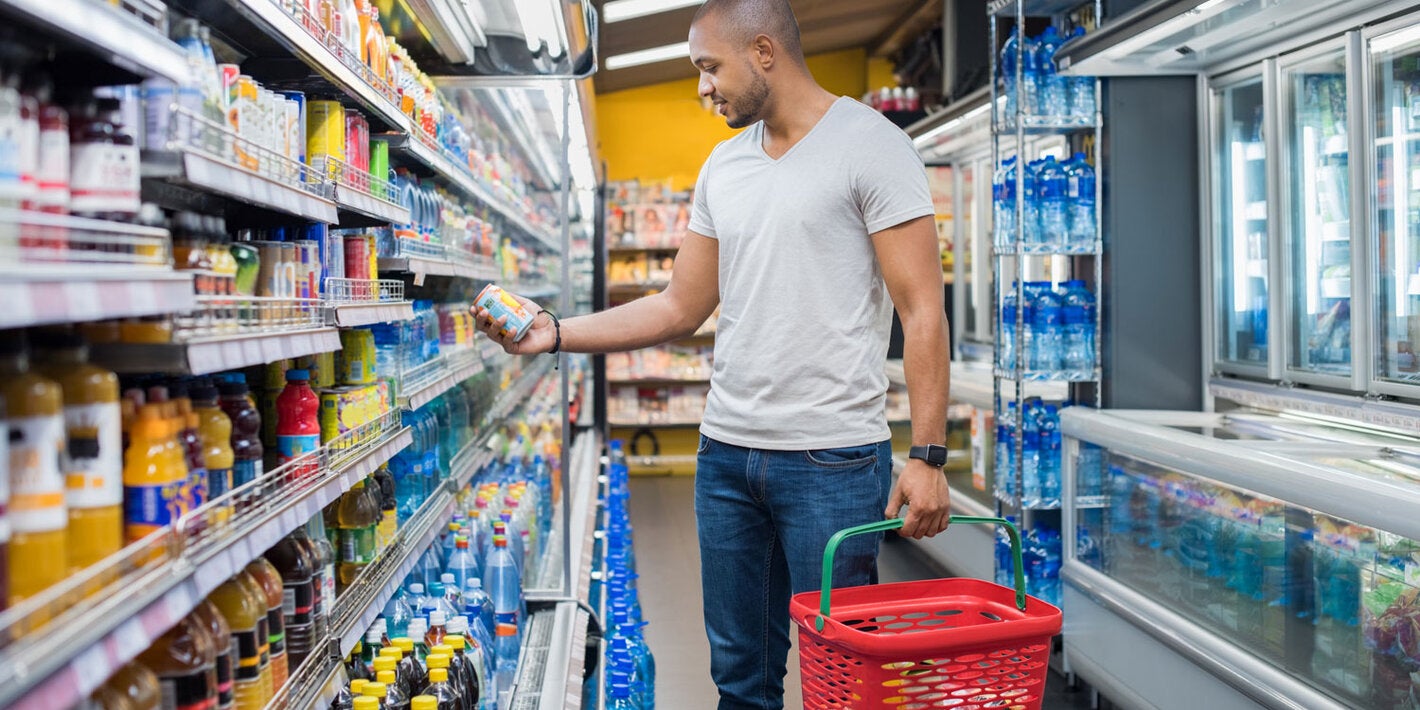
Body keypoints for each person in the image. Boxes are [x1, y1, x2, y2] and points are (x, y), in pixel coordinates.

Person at [472, 0, 951, 706]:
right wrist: (556, 330)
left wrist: (928, 456)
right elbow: (678, 306)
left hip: (832, 460)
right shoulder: (724, 165)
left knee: (844, 680)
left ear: (763, 52)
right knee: (739, 679)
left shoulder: (871, 145)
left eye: (709, 67)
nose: (702, 88)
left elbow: (922, 310)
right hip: (726, 457)